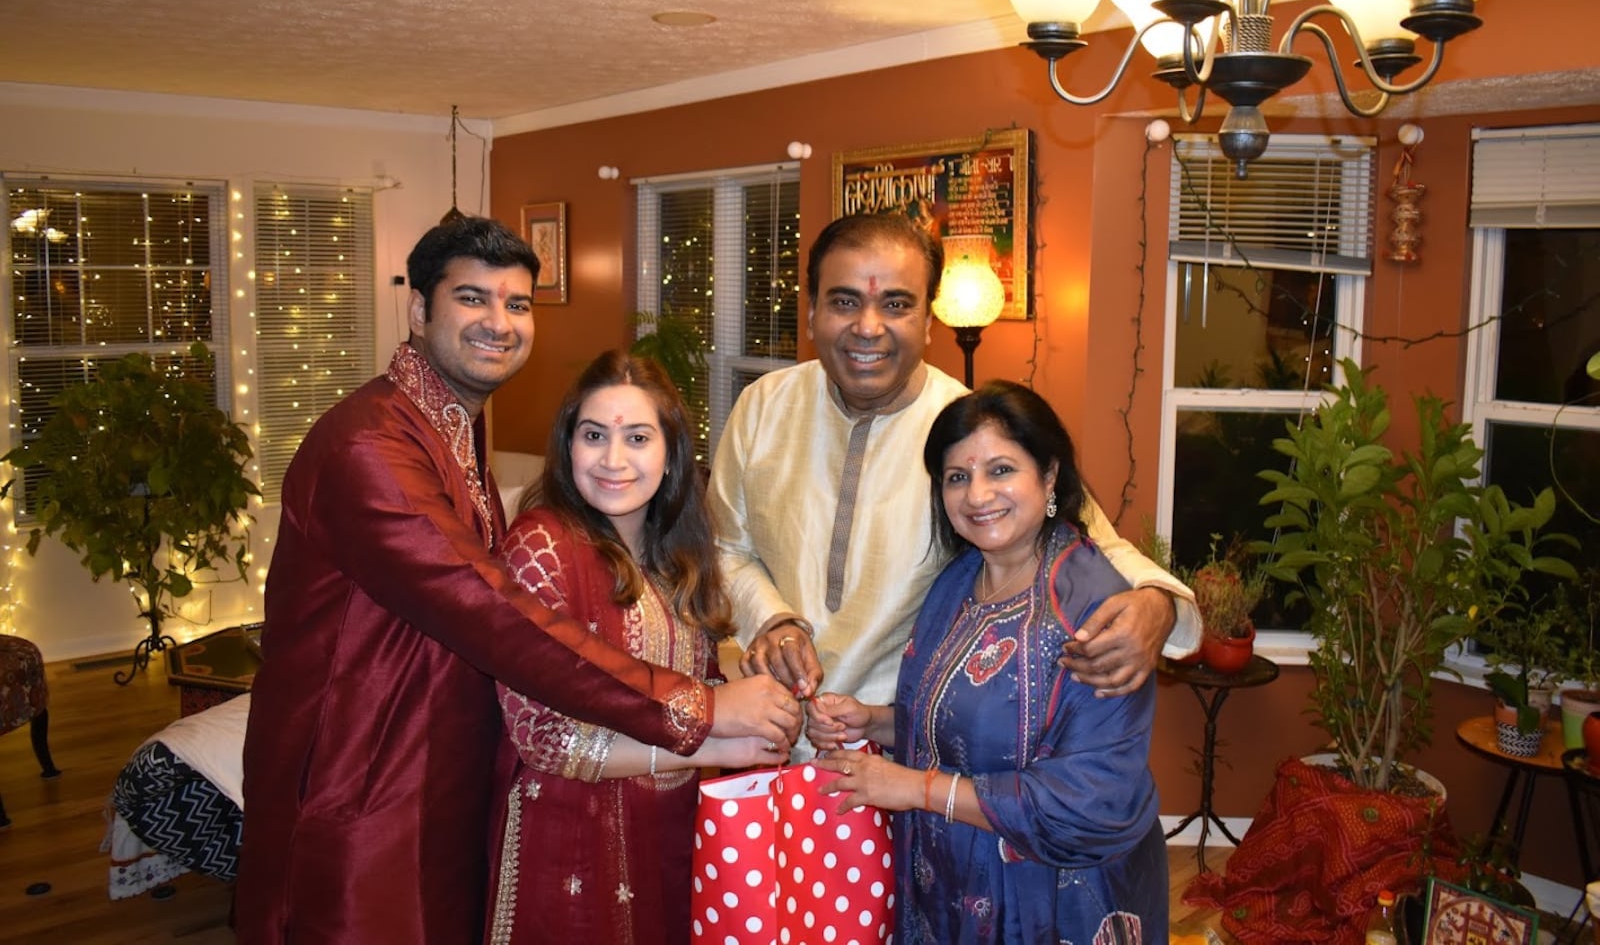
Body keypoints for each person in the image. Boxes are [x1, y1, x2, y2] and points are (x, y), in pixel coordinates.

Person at [237, 218, 799, 945]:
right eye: (473, 298)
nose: (498, 323)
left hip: (446, 772)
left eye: (517, 304)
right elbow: (490, 613)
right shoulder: (370, 446)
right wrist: (700, 709)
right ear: (419, 311)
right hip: (360, 778)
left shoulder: (447, 428)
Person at [710, 211, 1198, 744]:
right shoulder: (762, 407)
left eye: (896, 304)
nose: (868, 326)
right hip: (765, 740)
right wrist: (772, 619)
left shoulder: (969, 438)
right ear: (810, 314)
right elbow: (725, 547)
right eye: (844, 301)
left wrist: (1159, 603)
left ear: (927, 322)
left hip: (899, 751)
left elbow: (1088, 537)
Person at [808, 381, 1167, 943]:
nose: (977, 495)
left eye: (1001, 470)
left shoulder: (1092, 610)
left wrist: (913, 788)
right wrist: (874, 721)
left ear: (1049, 476)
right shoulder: (956, 583)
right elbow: (966, 725)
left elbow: (1090, 800)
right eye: (957, 477)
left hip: (1052, 900)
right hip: (950, 882)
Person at [484, 351, 785, 944]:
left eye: (638, 437)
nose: (613, 460)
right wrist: (710, 738)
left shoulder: (676, 554)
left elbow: (685, 680)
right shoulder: (542, 547)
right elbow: (544, 737)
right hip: (569, 842)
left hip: (670, 833)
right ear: (568, 445)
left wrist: (753, 692)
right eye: (594, 435)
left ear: (670, 452)